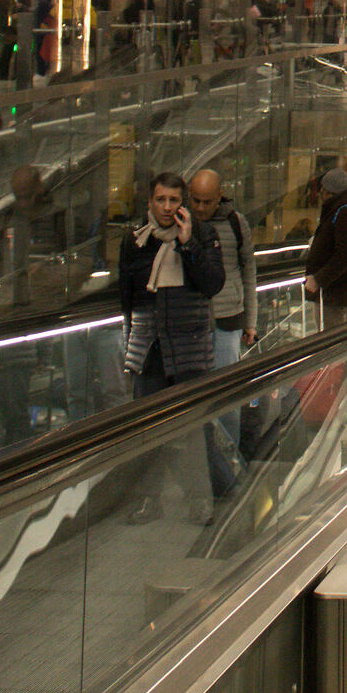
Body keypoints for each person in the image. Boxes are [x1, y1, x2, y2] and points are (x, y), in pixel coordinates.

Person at [119, 167, 228, 518]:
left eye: (174, 200)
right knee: (146, 430)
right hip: (149, 347)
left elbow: (213, 283)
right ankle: (148, 499)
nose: (167, 207)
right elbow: (128, 298)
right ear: (151, 202)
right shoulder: (135, 240)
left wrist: (188, 244)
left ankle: (201, 498)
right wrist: (128, 345)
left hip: (190, 348)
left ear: (183, 204)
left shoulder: (203, 234)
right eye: (161, 200)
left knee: (196, 427)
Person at [187, 168, 258, 485]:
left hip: (227, 321)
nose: (200, 208)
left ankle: (229, 470)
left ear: (219, 197)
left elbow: (248, 270)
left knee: (228, 401)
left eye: (207, 202)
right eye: (195, 201)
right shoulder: (183, 222)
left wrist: (250, 321)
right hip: (191, 323)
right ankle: (203, 470)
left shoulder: (235, 223)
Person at [303, 166, 347, 325]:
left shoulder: (345, 213)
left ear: (328, 190)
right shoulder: (340, 210)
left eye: (322, 189)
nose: (320, 193)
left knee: (332, 336)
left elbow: (345, 255)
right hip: (333, 291)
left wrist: (319, 279)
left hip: (335, 292)